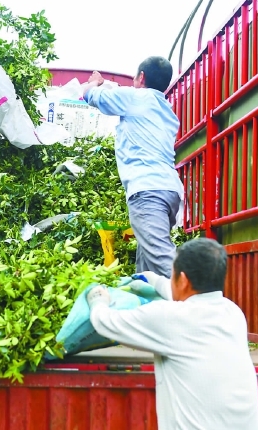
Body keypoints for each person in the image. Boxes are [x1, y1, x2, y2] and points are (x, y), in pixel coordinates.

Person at [86, 238, 258, 430]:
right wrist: (153, 280)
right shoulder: (233, 313)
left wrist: (97, 298)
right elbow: (186, 297)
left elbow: (104, 322)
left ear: (184, 279)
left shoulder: (168, 318)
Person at [81, 57, 184, 279]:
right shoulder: (166, 110)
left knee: (162, 260)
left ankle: (199, 307)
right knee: (147, 267)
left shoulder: (136, 97)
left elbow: (90, 96)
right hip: (170, 191)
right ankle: (147, 308)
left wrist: (95, 82)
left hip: (148, 191)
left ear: (141, 77)